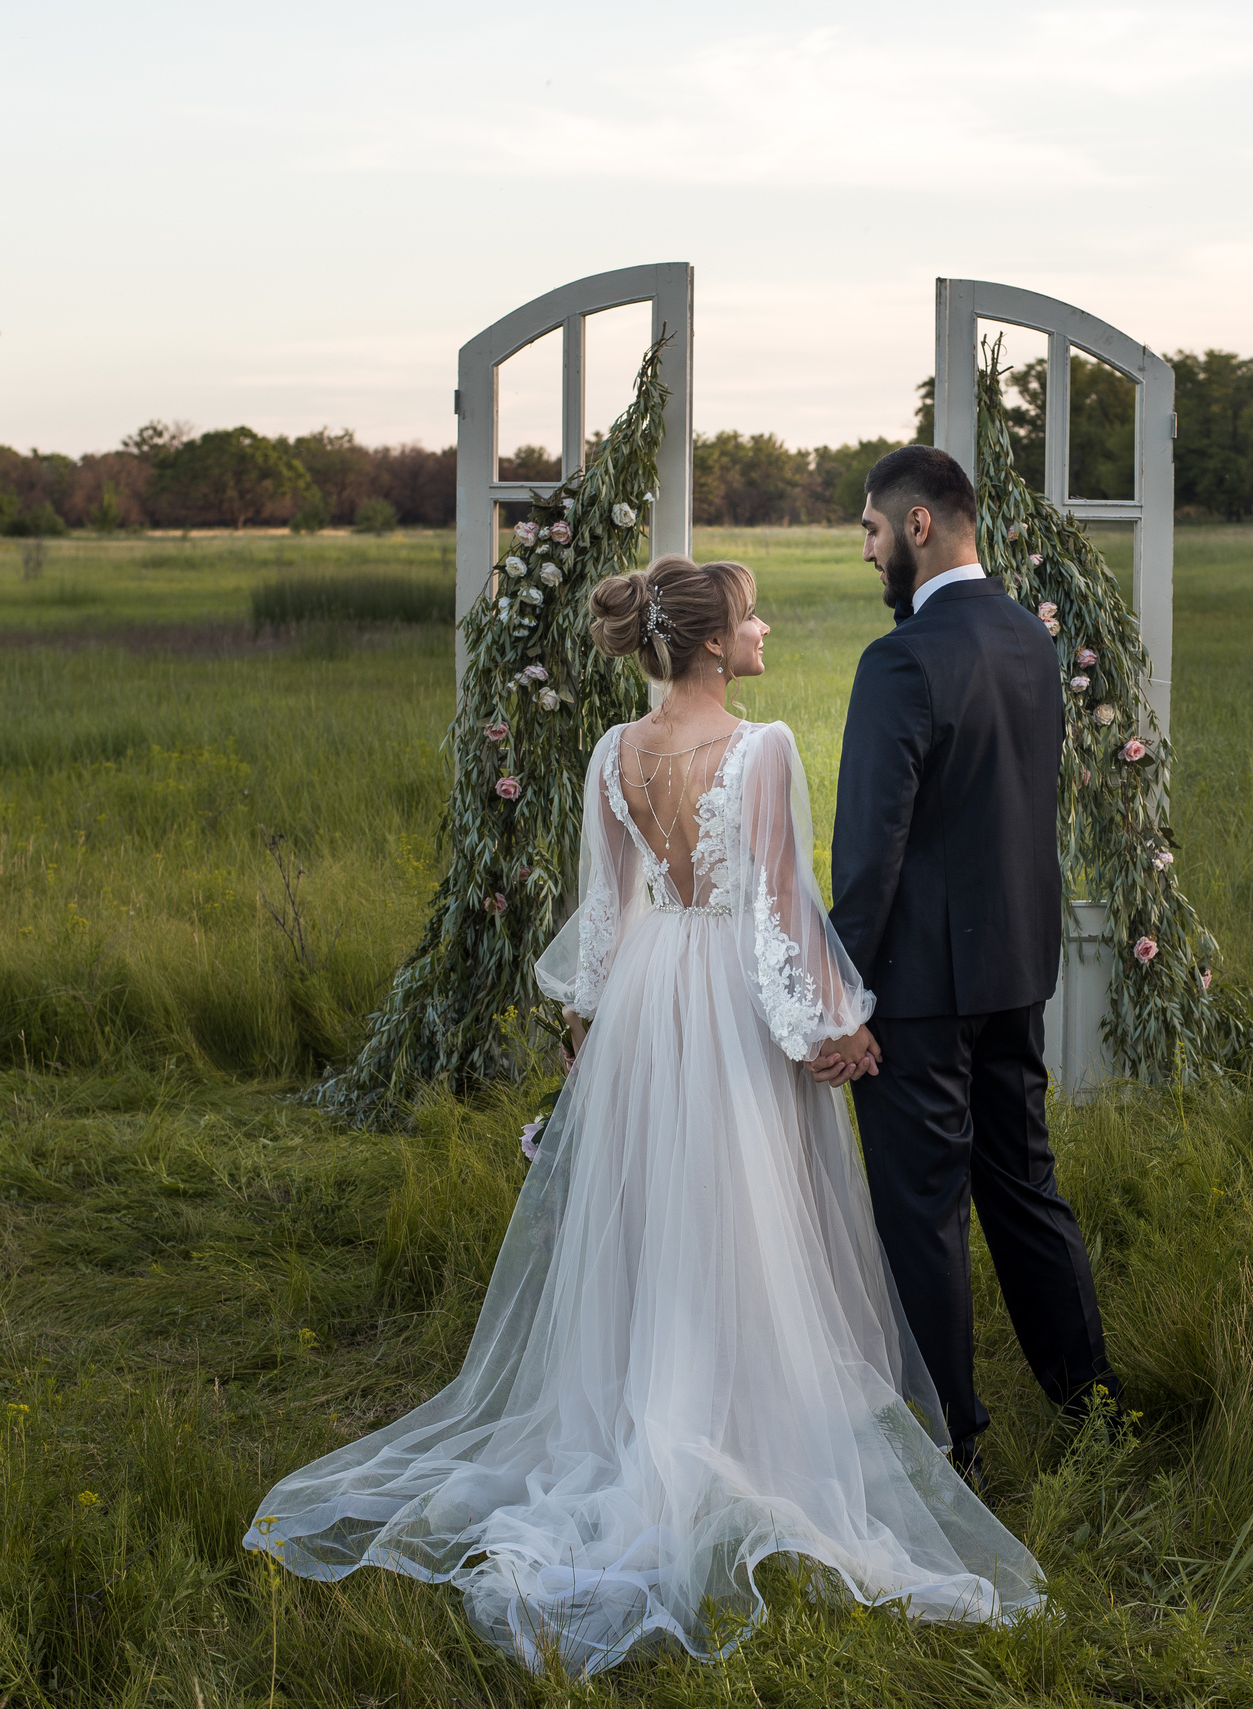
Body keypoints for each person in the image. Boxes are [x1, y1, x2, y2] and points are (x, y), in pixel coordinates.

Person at [243, 554, 1041, 1677]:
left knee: (664, 1200)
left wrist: (588, 1033)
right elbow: (776, 907)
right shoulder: (763, 746)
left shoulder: (611, 751)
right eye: (751, 614)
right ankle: (729, 1419)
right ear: (714, 643)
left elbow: (606, 910)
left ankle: (650, 1400)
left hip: (646, 995)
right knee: (743, 1206)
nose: (765, 626)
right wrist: (831, 1022)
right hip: (723, 993)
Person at [813, 445, 1118, 1487]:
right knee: (1024, 1184)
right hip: (1016, 966)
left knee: (924, 1207)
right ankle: (1093, 1402)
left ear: (919, 527)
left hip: (919, 988)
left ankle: (955, 1440)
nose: (864, 550)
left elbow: (869, 852)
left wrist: (840, 992)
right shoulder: (1030, 639)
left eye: (868, 528)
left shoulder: (898, 660)